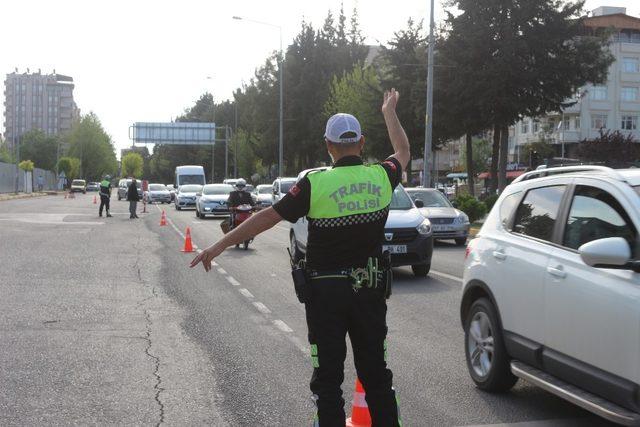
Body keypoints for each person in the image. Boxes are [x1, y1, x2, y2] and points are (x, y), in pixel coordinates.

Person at [190, 89, 410, 426]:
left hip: (325, 298)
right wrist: (388, 111)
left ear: (328, 146)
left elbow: (266, 217)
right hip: (369, 292)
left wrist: (219, 246)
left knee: (328, 384)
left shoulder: (314, 184)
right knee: (376, 378)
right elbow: (403, 151)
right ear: (362, 143)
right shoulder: (380, 176)